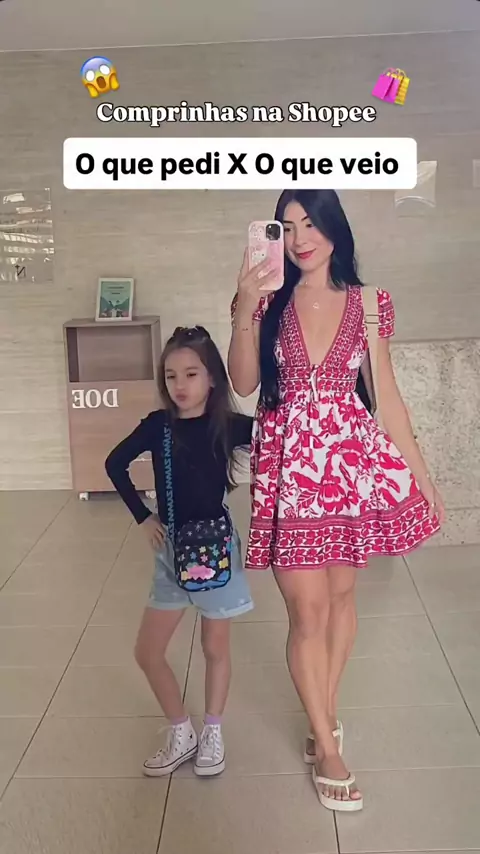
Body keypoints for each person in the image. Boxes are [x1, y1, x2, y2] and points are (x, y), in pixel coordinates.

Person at [228, 189, 444, 812]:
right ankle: (327, 746)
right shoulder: (265, 301)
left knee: (342, 599)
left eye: (310, 223)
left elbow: (387, 399)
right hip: (290, 472)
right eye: (287, 226)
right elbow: (243, 383)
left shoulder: (370, 304)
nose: (300, 239)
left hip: (349, 468)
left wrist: (424, 476)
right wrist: (242, 305)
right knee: (307, 612)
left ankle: (322, 714)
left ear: (333, 228)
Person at [105, 325, 254, 778]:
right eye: (171, 376)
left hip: (217, 552)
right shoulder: (158, 426)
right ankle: (182, 730)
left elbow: (284, 442)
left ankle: (213, 731)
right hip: (171, 552)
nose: (180, 385)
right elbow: (114, 464)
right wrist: (143, 516)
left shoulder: (230, 425)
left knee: (214, 647)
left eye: (191, 374)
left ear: (212, 378)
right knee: (148, 651)